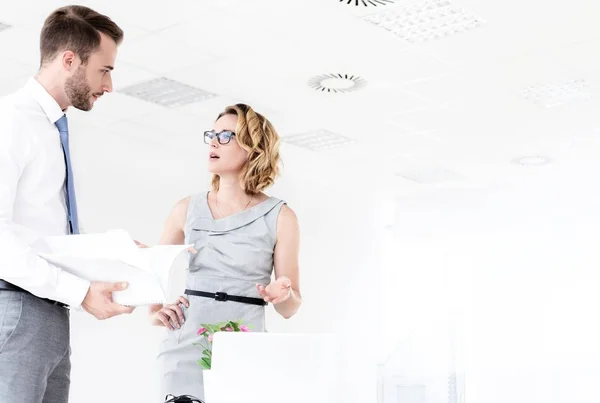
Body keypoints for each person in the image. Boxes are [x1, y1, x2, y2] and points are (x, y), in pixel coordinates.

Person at [0, 5, 135, 403]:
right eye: (104, 70)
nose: (109, 86)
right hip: (18, 306)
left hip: (50, 313)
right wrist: (78, 292)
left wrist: (116, 255)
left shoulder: (50, 126)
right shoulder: (11, 122)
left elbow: (42, 233)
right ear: (69, 59)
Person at [150, 104, 302, 399]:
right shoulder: (186, 208)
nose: (214, 142)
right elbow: (152, 270)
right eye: (212, 134)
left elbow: (290, 307)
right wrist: (156, 312)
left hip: (245, 349)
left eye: (226, 135)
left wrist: (282, 294)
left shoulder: (281, 216)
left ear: (254, 148)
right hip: (185, 347)